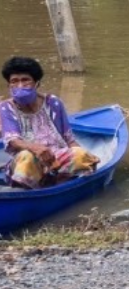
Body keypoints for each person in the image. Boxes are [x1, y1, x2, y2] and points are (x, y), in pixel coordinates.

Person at [1, 56, 99, 189]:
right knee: (26, 157)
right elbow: (12, 140)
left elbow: (68, 138)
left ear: (37, 83)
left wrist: (84, 155)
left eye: (25, 80)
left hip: (56, 159)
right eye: (14, 81)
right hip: (26, 161)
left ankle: (59, 182)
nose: (20, 85)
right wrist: (35, 148)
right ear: (9, 85)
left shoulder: (53, 102)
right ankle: (27, 190)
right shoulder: (6, 107)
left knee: (80, 154)